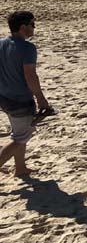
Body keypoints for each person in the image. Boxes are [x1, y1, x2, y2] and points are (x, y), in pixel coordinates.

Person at [0, 11, 51, 178]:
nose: (34, 28)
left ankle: (20, 168)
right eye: (32, 24)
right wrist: (41, 99)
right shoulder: (27, 48)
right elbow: (30, 76)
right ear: (23, 27)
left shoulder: (1, 44)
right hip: (20, 100)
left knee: (19, 132)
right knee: (21, 137)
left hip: (4, 97)